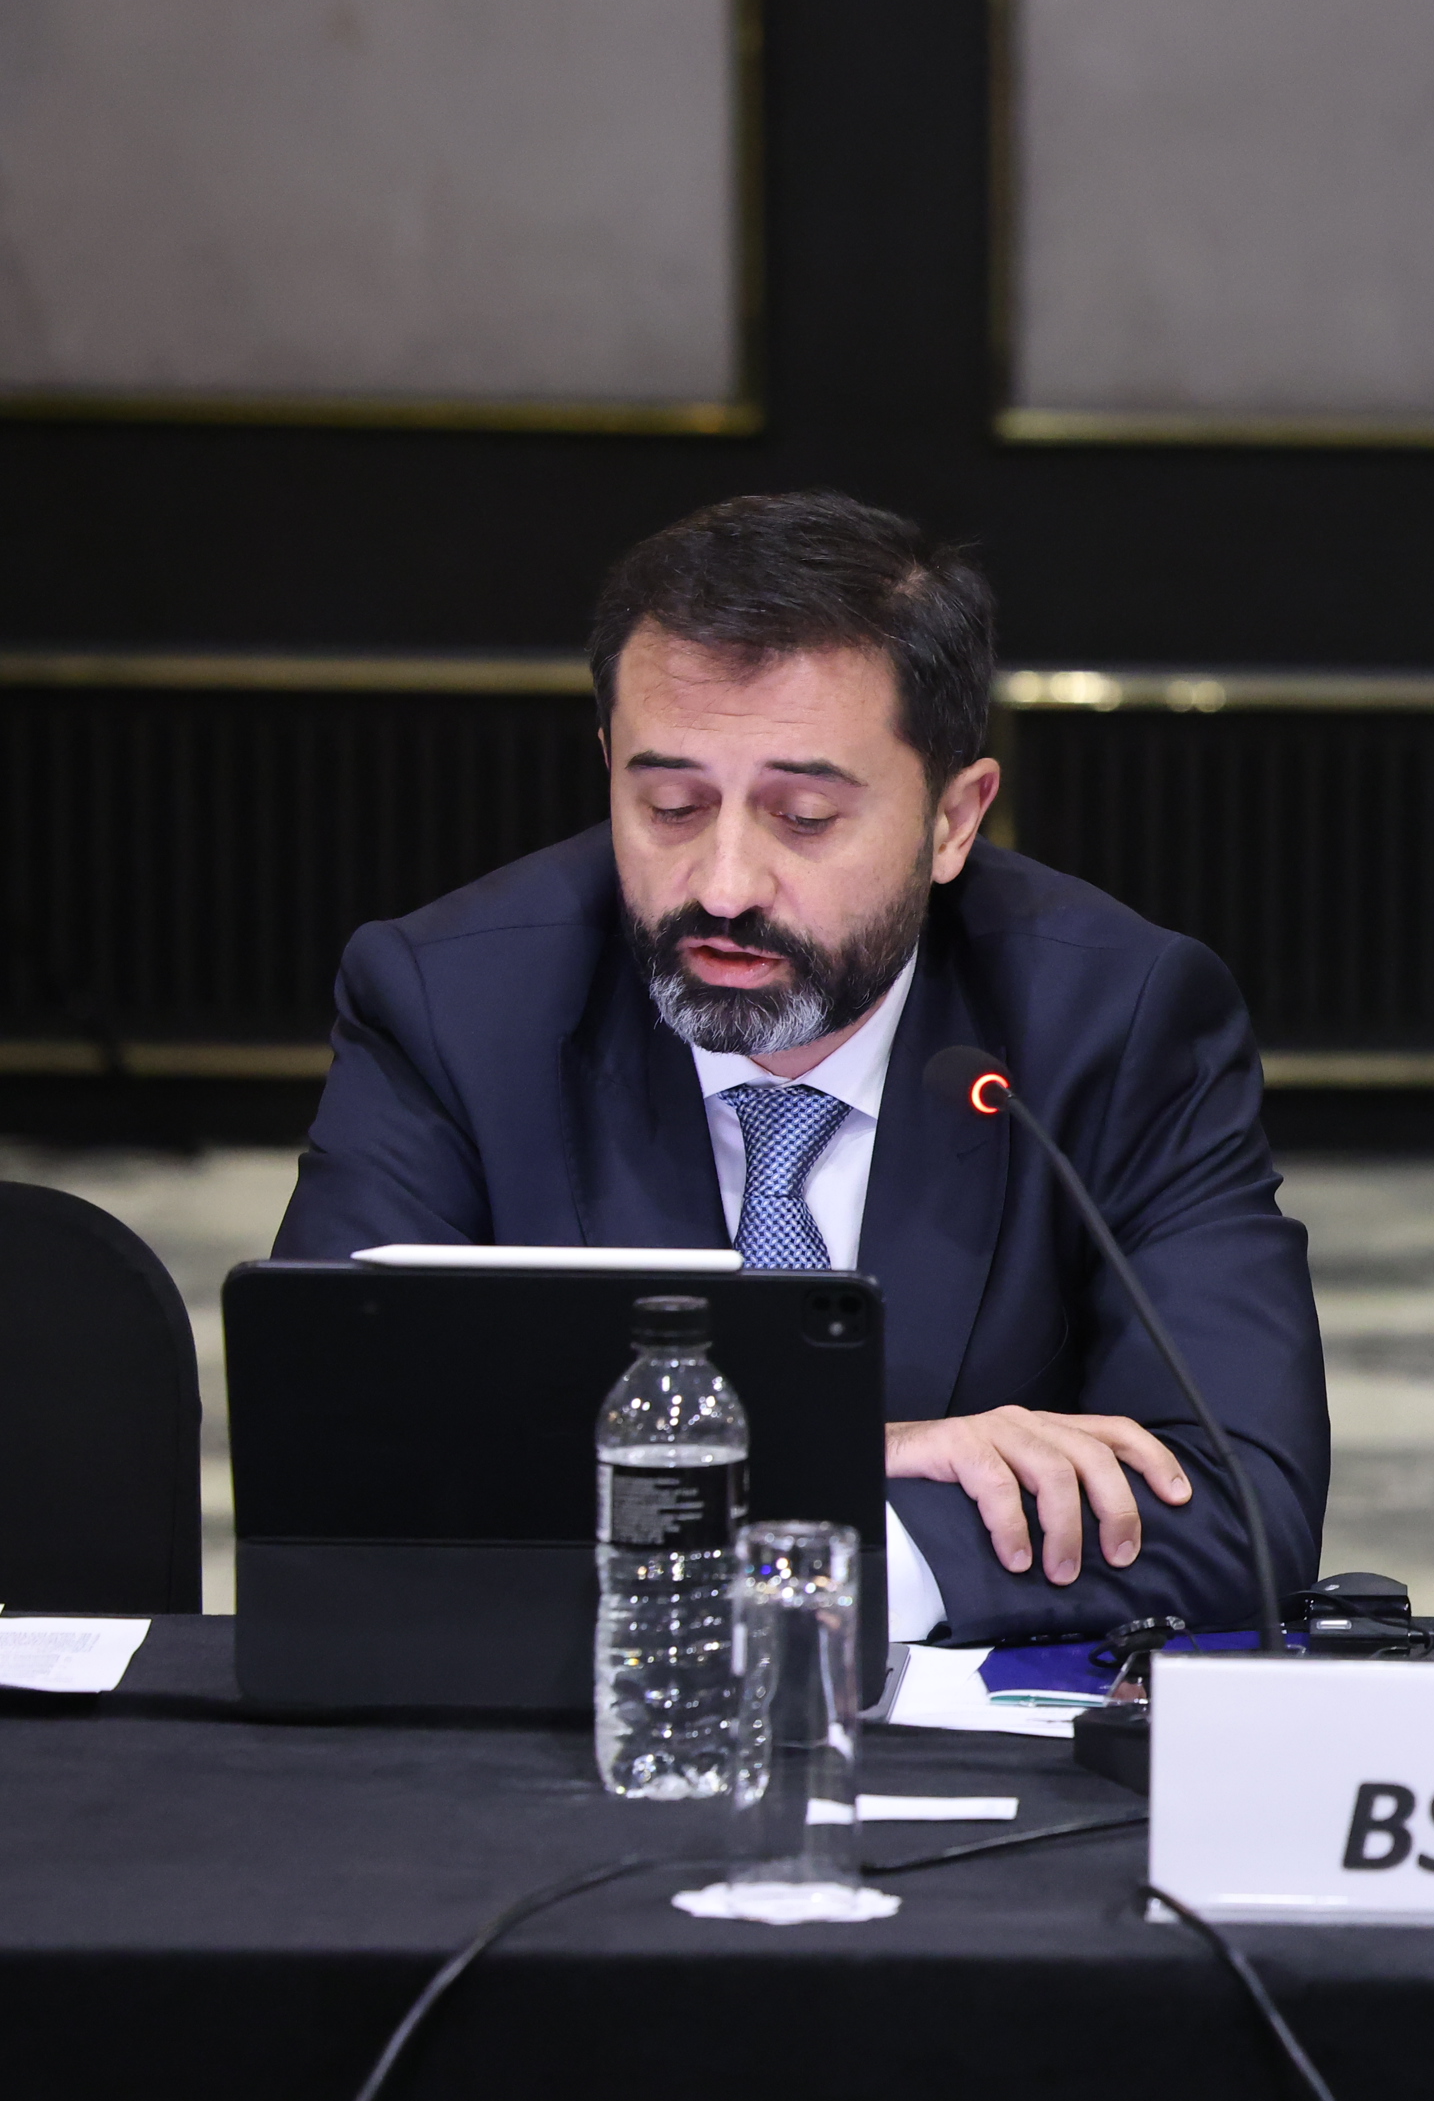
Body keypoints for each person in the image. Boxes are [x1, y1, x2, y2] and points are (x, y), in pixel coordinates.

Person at [274, 492, 1330, 1644]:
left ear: (953, 820)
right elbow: (336, 1473)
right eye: (670, 804)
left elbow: (1239, 1503)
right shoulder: (452, 1005)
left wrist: (821, 1578)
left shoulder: (1117, 1021)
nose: (725, 884)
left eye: (807, 816)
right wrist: (855, 1464)